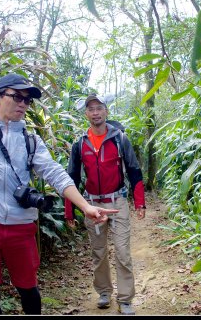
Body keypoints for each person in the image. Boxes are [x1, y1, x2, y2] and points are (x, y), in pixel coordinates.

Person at [0, 66, 118, 315]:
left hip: (20, 227)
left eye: (27, 100)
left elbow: (54, 173)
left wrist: (85, 206)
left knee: (28, 290)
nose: (23, 104)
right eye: (17, 97)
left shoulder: (31, 140)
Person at [64, 93, 146, 315]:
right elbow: (71, 177)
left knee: (122, 252)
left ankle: (126, 299)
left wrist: (140, 202)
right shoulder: (80, 144)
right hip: (92, 204)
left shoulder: (120, 138)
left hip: (117, 200)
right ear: (86, 114)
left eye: (99, 108)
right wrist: (69, 210)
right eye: (91, 109)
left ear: (106, 111)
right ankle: (103, 292)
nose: (95, 112)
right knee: (98, 252)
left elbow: (134, 170)